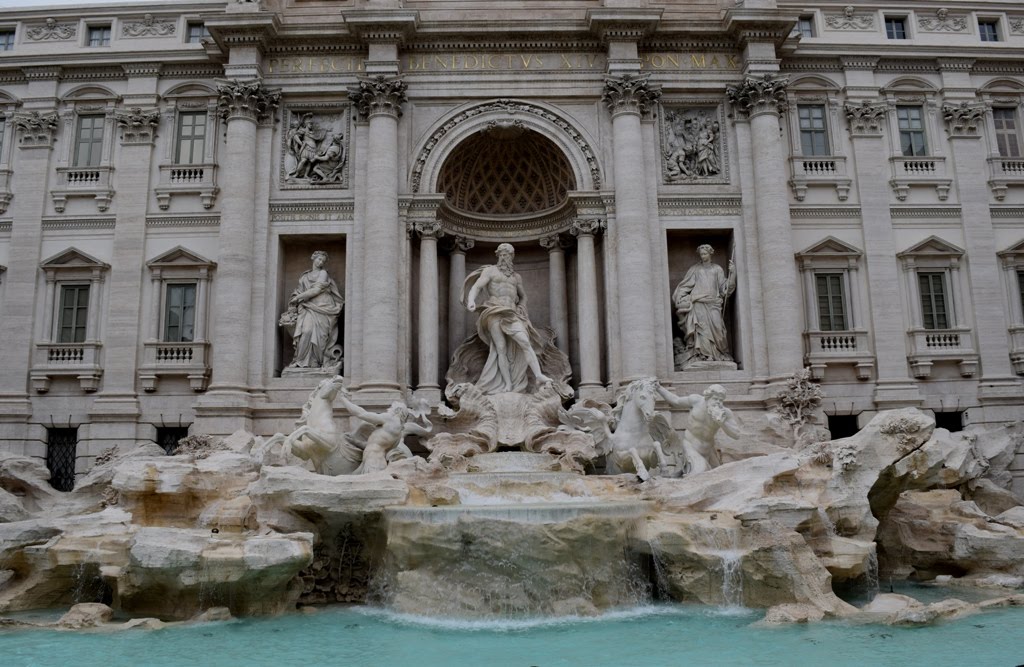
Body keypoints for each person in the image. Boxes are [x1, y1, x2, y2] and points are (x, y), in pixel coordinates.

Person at [463, 243, 552, 394]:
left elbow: (523, 297)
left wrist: (522, 307)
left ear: (512, 256)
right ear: (497, 256)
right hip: (494, 310)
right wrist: (471, 300)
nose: (505, 257)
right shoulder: (490, 271)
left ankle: (538, 375)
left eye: (508, 254)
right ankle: (507, 384)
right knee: (501, 348)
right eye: (502, 254)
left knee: (525, 341)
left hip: (512, 313)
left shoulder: (516, 277)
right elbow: (477, 287)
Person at [655, 382, 743, 474]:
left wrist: (722, 422)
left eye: (721, 400)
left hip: (709, 450)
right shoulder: (696, 401)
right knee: (700, 471)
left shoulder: (725, 413)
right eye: (715, 399)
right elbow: (676, 400)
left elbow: (736, 435)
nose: (718, 402)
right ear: (707, 398)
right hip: (690, 446)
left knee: (718, 474)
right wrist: (659, 388)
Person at [335, 391, 432, 474]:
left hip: (373, 462)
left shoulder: (391, 419)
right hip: (375, 461)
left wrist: (343, 399)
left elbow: (362, 413)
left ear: (397, 411)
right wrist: (354, 442)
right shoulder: (397, 431)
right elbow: (374, 445)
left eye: (391, 408)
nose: (388, 410)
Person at [672, 244, 736, 365]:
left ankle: (719, 353)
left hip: (714, 303)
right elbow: (684, 286)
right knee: (702, 330)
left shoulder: (717, 269)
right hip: (699, 304)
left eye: (705, 254)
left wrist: (733, 274)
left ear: (710, 253)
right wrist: (680, 297)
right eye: (701, 254)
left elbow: (725, 289)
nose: (703, 256)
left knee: (718, 329)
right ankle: (705, 356)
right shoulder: (695, 269)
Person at [283, 251, 344, 370]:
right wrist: (295, 298)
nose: (321, 262)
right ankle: (300, 361)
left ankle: (315, 362)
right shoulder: (305, 276)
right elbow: (299, 291)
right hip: (308, 307)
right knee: (306, 331)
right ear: (313, 258)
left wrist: (298, 298)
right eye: (319, 259)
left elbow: (316, 290)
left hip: (323, 306)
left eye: (323, 261)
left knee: (321, 337)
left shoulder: (323, 273)